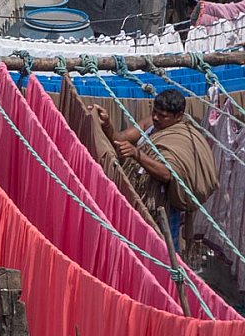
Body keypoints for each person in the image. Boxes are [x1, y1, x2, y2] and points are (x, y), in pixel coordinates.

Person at [91, 89, 219, 247]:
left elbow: (167, 174)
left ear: (178, 116)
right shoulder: (150, 124)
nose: (156, 118)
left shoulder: (182, 138)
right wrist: (107, 125)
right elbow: (121, 138)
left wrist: (137, 154)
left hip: (163, 206)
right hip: (140, 199)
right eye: (155, 112)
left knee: (163, 248)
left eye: (163, 116)